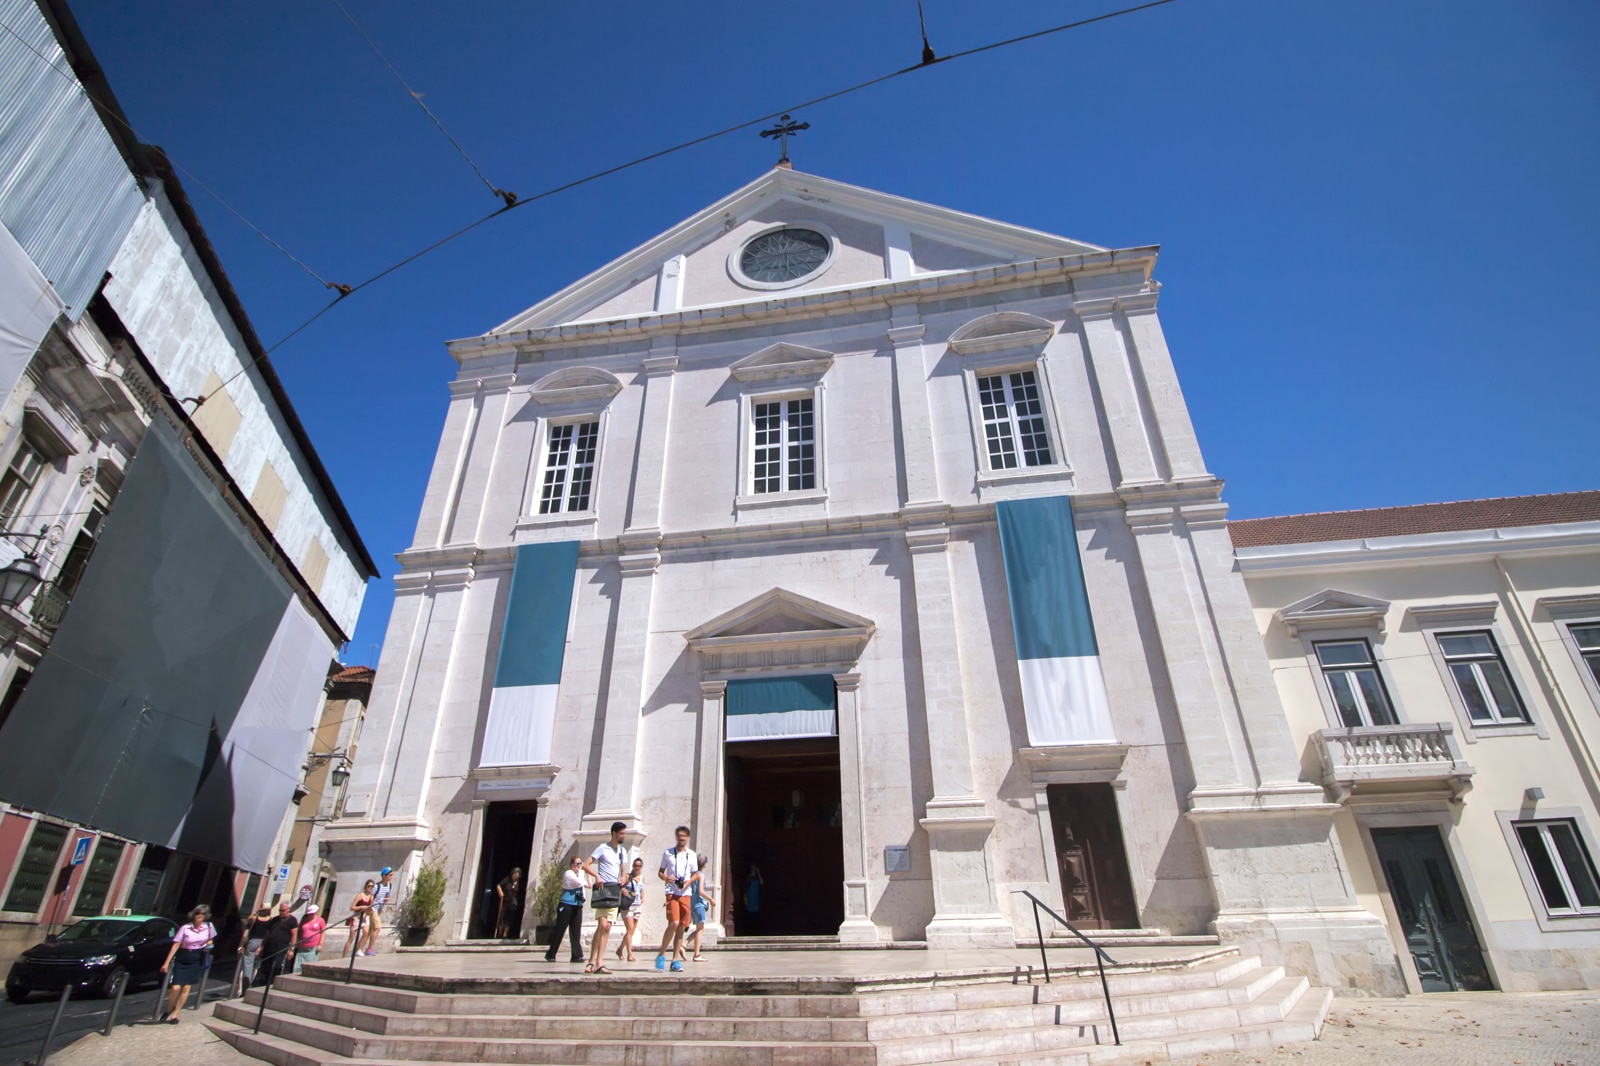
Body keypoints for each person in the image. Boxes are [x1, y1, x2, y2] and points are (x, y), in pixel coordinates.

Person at [582, 821, 628, 975]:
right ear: (614, 833)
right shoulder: (603, 848)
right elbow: (586, 864)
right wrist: (597, 876)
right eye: (621, 833)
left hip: (615, 890)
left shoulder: (622, 852)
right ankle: (592, 961)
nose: (623, 836)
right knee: (602, 925)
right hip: (603, 889)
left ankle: (598, 962)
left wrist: (624, 879)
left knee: (607, 927)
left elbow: (624, 872)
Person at [159, 906, 215, 1022]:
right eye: (198, 913)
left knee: (186, 987)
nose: (200, 916)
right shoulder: (185, 928)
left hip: (197, 957)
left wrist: (209, 944)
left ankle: (175, 1014)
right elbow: (176, 945)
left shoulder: (209, 927)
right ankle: (169, 1009)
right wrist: (166, 962)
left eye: (203, 914)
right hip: (184, 956)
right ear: (193, 915)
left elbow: (211, 940)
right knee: (175, 987)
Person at [655, 825, 697, 972]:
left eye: (684, 836)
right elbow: (660, 872)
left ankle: (675, 960)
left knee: (681, 927)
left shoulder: (691, 855)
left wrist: (689, 882)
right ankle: (661, 954)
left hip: (686, 892)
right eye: (679, 835)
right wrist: (666, 877)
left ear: (687, 838)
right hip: (672, 892)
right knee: (674, 922)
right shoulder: (668, 853)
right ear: (676, 837)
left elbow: (695, 873)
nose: (681, 838)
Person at [543, 856, 586, 964]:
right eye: (577, 864)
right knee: (560, 929)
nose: (579, 866)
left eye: (580, 863)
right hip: (566, 905)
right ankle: (551, 953)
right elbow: (580, 882)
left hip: (577, 905)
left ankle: (576, 955)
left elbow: (586, 886)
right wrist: (583, 874)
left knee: (576, 930)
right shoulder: (569, 874)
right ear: (571, 865)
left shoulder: (580, 874)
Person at [254, 901, 298, 988]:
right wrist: (261, 946)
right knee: (265, 966)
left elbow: (294, 935)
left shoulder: (292, 920)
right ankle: (262, 984)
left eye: (283, 910)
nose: (281, 912)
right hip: (269, 947)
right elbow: (267, 933)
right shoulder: (275, 919)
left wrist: (291, 950)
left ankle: (271, 984)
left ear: (289, 910)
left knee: (276, 966)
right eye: (280, 910)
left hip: (281, 948)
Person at [235, 906, 272, 993]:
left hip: (252, 942)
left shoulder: (254, 920)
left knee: (246, 965)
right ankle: (250, 983)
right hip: (263, 943)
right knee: (256, 966)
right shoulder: (270, 921)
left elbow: (245, 935)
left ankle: (243, 988)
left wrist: (241, 946)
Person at [614, 857, 645, 963]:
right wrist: (623, 890)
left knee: (631, 931)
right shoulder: (628, 877)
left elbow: (641, 889)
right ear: (633, 866)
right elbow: (618, 886)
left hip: (637, 906)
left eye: (639, 866)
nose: (637, 867)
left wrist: (643, 897)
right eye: (635, 865)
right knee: (630, 929)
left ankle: (620, 949)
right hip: (628, 906)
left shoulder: (641, 877)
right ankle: (630, 954)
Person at [689, 853, 716, 962]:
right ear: (703, 864)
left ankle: (684, 945)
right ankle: (697, 954)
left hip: (693, 904)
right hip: (699, 904)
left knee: (698, 929)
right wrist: (710, 899)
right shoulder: (700, 875)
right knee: (700, 930)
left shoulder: (693, 875)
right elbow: (700, 891)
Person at [361, 867, 394, 956]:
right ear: (384, 876)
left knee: (371, 930)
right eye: (389, 875)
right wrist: (370, 908)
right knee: (378, 927)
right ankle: (369, 948)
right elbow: (371, 897)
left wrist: (386, 899)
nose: (391, 877)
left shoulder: (389, 885)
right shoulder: (377, 886)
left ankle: (359, 949)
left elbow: (388, 896)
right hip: (373, 909)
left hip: (379, 909)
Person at [344, 880, 375, 959]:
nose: (370, 888)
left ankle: (358, 950)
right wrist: (361, 907)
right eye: (369, 886)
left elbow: (370, 907)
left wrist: (369, 911)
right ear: (365, 886)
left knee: (366, 932)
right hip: (357, 917)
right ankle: (344, 956)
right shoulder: (360, 896)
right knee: (351, 938)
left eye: (372, 886)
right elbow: (352, 907)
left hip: (365, 917)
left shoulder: (371, 896)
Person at [294, 904, 326, 973]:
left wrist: (320, 944)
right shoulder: (304, 920)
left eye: (312, 913)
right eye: (310, 914)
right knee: (298, 965)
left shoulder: (320, 920)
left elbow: (323, 932)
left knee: (310, 964)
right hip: (303, 945)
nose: (311, 915)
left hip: (313, 946)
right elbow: (299, 930)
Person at [494, 867, 524, 939]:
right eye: (514, 874)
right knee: (502, 918)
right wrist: (500, 892)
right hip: (504, 902)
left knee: (509, 919)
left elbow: (521, 891)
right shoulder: (507, 880)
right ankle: (500, 933)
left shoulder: (519, 883)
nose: (515, 876)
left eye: (517, 875)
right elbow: (498, 885)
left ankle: (505, 934)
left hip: (512, 903)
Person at [744, 864, 764, 937]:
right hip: (750, 898)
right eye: (752, 868)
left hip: (756, 899)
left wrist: (758, 873)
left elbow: (762, 883)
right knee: (749, 916)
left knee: (756, 916)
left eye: (754, 868)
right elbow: (745, 889)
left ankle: (756, 931)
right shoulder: (749, 877)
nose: (753, 869)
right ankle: (749, 931)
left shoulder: (757, 878)